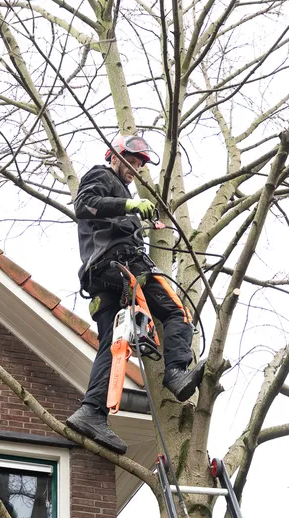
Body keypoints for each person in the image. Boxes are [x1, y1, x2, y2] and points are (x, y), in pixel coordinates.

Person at [65, 134, 205, 454]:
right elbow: (85, 204)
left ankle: (92, 412)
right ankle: (176, 373)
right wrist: (130, 204)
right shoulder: (102, 177)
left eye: (141, 163)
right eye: (132, 160)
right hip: (120, 266)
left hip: (103, 278)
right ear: (114, 156)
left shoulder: (121, 194)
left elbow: (112, 218)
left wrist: (144, 223)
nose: (137, 167)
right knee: (175, 311)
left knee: (116, 345)